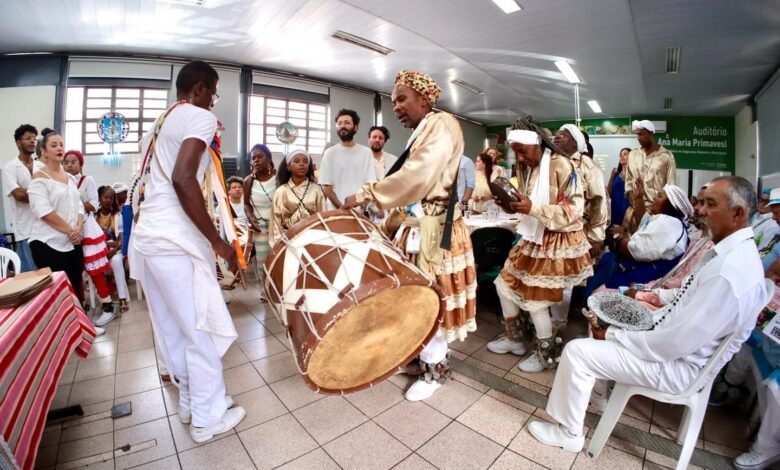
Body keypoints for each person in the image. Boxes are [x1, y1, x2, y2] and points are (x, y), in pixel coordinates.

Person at [527, 176, 769, 454]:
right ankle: (597, 395)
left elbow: (676, 342)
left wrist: (615, 335)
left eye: (710, 204)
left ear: (737, 213)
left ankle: (569, 432)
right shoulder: (733, 255)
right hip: (671, 347)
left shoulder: (730, 272)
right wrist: (638, 315)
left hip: (675, 366)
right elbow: (684, 302)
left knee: (577, 352)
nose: (700, 210)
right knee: (603, 325)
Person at [342, 69, 477, 401]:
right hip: (419, 227)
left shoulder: (442, 123)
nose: (397, 107)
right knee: (415, 299)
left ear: (424, 99)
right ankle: (421, 356)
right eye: (393, 102)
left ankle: (435, 370)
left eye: (402, 99)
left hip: (436, 232)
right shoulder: (423, 130)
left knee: (432, 300)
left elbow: (418, 175)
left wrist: (366, 194)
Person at [129, 60, 246, 443]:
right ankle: (208, 419)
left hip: (148, 238)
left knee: (172, 328)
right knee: (201, 328)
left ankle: (191, 403)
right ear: (198, 88)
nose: (213, 100)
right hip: (175, 237)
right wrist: (216, 240)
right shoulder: (198, 116)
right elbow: (183, 179)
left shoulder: (160, 122)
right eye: (213, 91)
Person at [486, 117, 592, 373]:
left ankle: (546, 355)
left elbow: (575, 211)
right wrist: (508, 204)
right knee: (503, 285)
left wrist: (532, 208)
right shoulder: (531, 166)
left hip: (554, 240)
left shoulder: (562, 164)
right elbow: (527, 204)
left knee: (537, 301)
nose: (520, 158)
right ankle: (515, 339)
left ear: (537, 144)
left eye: (523, 151)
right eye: (516, 152)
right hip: (533, 236)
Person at [27, 131, 95, 324]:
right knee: (60, 292)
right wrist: (71, 231)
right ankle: (65, 331)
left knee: (76, 285)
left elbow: (79, 206)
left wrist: (78, 228)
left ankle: (82, 327)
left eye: (61, 145)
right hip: (48, 244)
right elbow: (44, 212)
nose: (59, 148)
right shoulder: (39, 179)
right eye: (54, 145)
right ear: (44, 151)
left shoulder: (70, 178)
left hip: (72, 241)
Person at [583, 184, 692, 296]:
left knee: (596, 294)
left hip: (644, 278)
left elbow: (636, 251)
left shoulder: (668, 223)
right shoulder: (668, 222)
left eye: (659, 196)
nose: (655, 198)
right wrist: (639, 199)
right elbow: (644, 222)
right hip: (639, 271)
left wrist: (619, 239)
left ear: (671, 205)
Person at [625, 185, 713, 310]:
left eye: (707, 204)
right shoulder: (698, 238)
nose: (697, 208)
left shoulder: (669, 223)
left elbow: (686, 292)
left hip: (673, 304)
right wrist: (645, 288)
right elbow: (674, 278)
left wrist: (641, 294)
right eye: (699, 203)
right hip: (661, 290)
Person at [63, 149, 117, 326]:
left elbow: (94, 205)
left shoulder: (87, 180)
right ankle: (80, 308)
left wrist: (74, 201)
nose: (69, 165)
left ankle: (108, 306)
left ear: (80, 164)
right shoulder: (61, 181)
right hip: (69, 231)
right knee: (74, 271)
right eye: (66, 162)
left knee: (95, 271)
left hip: (86, 229)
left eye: (74, 162)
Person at [318, 109, 375, 210]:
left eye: (347, 123)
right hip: (335, 212)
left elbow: (370, 184)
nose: (342, 126)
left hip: (360, 212)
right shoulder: (329, 153)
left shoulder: (366, 153)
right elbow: (327, 188)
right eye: (339, 123)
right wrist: (343, 209)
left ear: (355, 127)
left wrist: (362, 206)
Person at [268, 149, 326, 245]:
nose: (302, 164)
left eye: (305, 161)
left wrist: (320, 242)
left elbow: (322, 217)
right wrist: (279, 245)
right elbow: (276, 222)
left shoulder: (316, 190)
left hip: (312, 241)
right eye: (296, 161)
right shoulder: (281, 191)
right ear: (288, 167)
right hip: (288, 241)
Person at [4, 124, 39, 272]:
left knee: (48, 274)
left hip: (44, 229)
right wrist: (41, 194)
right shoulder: (10, 167)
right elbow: (19, 195)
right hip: (25, 231)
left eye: (34, 138)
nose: (33, 141)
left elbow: (52, 193)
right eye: (28, 138)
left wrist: (33, 194)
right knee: (32, 276)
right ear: (18, 142)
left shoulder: (41, 166)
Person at [243, 144, 276, 293]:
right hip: (259, 226)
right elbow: (246, 204)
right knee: (262, 259)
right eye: (253, 158)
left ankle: (279, 288)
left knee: (278, 256)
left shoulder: (278, 178)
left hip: (277, 224)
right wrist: (250, 217)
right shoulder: (248, 181)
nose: (256, 160)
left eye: (260, 157)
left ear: (268, 158)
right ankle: (265, 289)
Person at [624, 120, 676, 208]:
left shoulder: (666, 156)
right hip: (635, 208)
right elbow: (628, 180)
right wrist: (631, 196)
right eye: (637, 134)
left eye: (641, 134)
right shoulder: (633, 155)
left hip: (656, 209)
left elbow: (671, 186)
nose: (638, 138)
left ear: (651, 133)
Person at [95, 185, 130, 313]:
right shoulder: (94, 217)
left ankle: (122, 298)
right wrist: (107, 247)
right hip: (99, 252)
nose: (108, 200)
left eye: (111, 198)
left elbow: (121, 240)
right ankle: (105, 298)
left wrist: (113, 249)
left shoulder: (117, 215)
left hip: (116, 251)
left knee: (115, 260)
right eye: (105, 197)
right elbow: (94, 240)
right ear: (99, 199)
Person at [607, 148, 631, 228]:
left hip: (627, 210)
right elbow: (608, 194)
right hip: (614, 209)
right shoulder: (616, 174)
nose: (622, 156)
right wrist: (611, 177)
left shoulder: (633, 175)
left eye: (625, 154)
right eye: (620, 155)